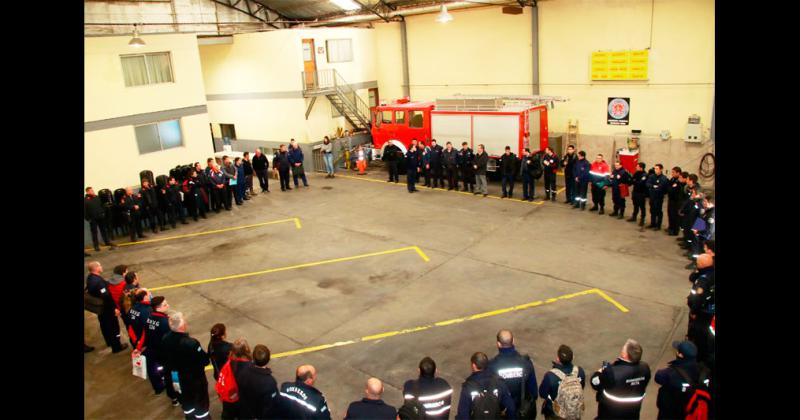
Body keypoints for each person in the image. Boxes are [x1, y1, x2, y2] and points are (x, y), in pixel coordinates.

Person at [162, 311, 211, 420]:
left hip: (176, 377)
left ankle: (190, 417)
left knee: (186, 402)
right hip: (194, 379)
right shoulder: (191, 343)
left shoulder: (165, 338)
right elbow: (204, 360)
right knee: (200, 403)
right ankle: (202, 417)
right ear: (182, 326)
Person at [590, 338, 651, 419]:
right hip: (632, 414)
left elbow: (595, 383)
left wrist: (599, 373)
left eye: (623, 348)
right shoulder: (645, 368)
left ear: (625, 355)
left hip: (609, 414)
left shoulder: (612, 372)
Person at [488, 330, 537, 419]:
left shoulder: (491, 366)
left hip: (502, 412)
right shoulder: (525, 363)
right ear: (513, 341)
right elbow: (534, 392)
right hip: (522, 412)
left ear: (498, 344)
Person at [142, 296, 180, 406]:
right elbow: (171, 339)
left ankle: (170, 392)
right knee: (173, 375)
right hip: (166, 354)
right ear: (158, 308)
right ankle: (175, 395)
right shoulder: (164, 322)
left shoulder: (149, 318)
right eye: (165, 305)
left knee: (164, 373)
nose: (168, 306)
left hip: (154, 350)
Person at [455, 352, 516, 420]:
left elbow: (463, 414)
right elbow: (511, 407)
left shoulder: (468, 387)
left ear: (474, 365)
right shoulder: (499, 382)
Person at [85, 261, 128, 353]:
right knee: (113, 327)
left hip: (101, 309)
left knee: (105, 325)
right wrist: (114, 308)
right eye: (100, 265)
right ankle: (116, 346)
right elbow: (106, 297)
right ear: (96, 268)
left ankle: (109, 342)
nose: (101, 267)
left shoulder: (90, 278)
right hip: (106, 308)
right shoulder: (98, 282)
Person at [655, 340, 701, 420]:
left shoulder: (670, 374)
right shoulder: (702, 371)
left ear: (680, 355)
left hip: (670, 413)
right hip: (690, 412)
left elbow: (658, 377)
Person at [538, 345, 586, 420]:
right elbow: (582, 387)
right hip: (575, 412)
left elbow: (542, 394)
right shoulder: (580, 372)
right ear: (573, 357)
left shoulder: (550, 376)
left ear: (558, 359)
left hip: (556, 415)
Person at [238, 344, 279, 420]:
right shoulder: (269, 382)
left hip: (245, 412)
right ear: (268, 360)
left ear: (253, 357)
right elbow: (270, 406)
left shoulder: (243, 370)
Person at [687, 253, 715, 362]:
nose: (696, 264)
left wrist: (693, 311)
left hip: (703, 312)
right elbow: (691, 277)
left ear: (702, 265)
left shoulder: (703, 280)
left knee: (700, 335)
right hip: (710, 311)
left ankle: (698, 357)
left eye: (698, 263)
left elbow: (698, 299)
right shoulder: (709, 273)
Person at [84, 187, 116, 251]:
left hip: (100, 217)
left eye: (93, 190)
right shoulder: (85, 200)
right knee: (94, 233)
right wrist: (88, 219)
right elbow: (84, 211)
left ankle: (107, 242)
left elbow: (102, 205)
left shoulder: (97, 197)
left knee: (104, 230)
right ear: (87, 192)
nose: (93, 191)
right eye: (91, 191)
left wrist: (103, 213)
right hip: (92, 219)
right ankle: (96, 246)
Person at [646, 164, 670, 230]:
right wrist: (653, 186)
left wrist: (654, 186)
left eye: (657, 169)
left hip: (659, 197)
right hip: (652, 196)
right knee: (652, 210)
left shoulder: (663, 178)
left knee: (658, 211)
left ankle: (658, 225)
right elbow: (647, 184)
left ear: (661, 169)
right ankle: (652, 223)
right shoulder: (652, 176)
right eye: (655, 168)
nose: (655, 170)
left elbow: (661, 187)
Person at [665, 167, 684, 235]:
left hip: (676, 201)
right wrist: (670, 188)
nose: (672, 173)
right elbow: (668, 188)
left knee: (675, 216)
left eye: (673, 172)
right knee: (670, 214)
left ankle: (675, 231)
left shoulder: (679, 182)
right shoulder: (672, 179)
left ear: (678, 173)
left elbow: (673, 190)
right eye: (672, 172)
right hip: (671, 200)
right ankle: (671, 227)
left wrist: (671, 188)